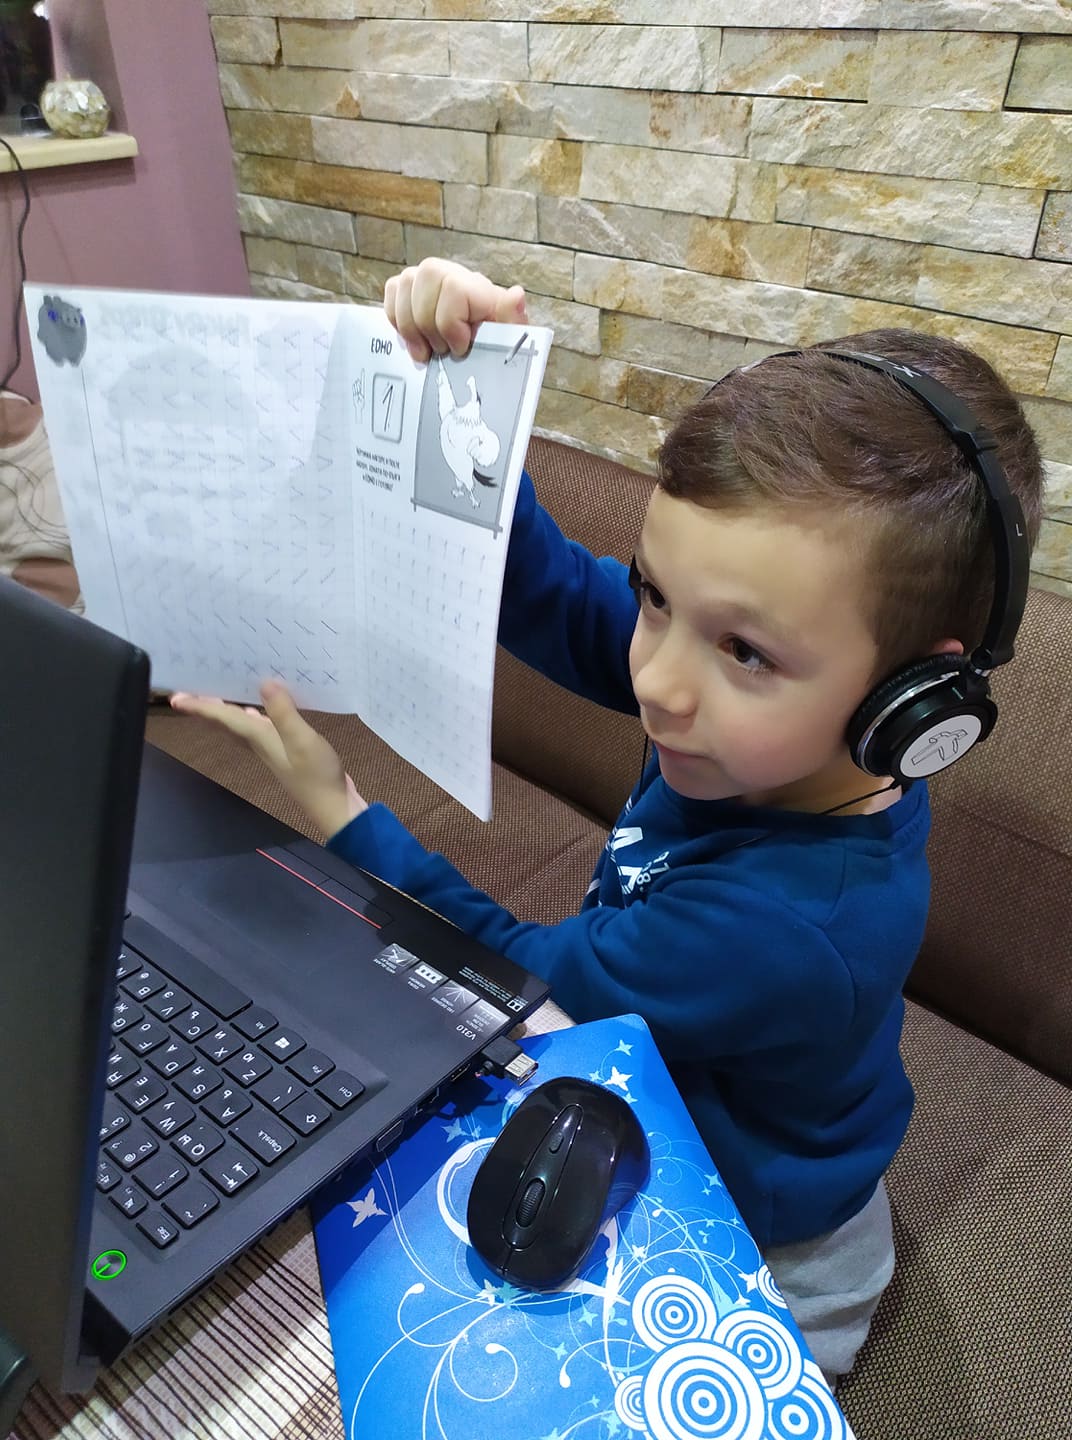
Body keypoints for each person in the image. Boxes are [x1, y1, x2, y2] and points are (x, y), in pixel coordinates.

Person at [171, 257, 1044, 1380]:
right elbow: (548, 594)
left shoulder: (786, 923)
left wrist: (343, 813)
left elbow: (524, 973)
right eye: (655, 597)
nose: (658, 682)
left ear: (910, 705)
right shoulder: (746, 734)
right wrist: (460, 399)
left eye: (745, 650)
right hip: (658, 1087)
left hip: (775, 1249)